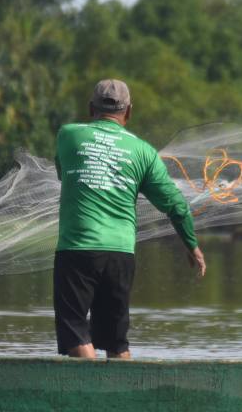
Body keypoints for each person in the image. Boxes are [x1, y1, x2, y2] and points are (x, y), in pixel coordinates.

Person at [53, 79, 206, 359]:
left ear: (90, 108)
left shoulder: (68, 135)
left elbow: (62, 174)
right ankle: (125, 386)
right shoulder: (144, 152)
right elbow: (176, 205)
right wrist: (191, 245)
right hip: (121, 254)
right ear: (129, 111)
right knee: (116, 342)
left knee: (75, 332)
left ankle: (91, 387)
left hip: (78, 249)